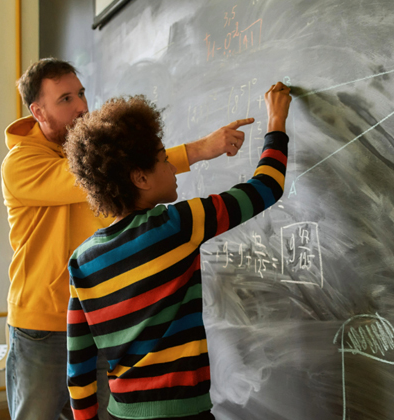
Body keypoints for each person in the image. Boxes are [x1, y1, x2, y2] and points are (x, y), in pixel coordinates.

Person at [1, 58, 252, 420]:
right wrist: (199, 150)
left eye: (82, 94)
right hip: (41, 325)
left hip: (99, 318)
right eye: (66, 99)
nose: (82, 106)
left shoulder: (87, 151)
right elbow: (83, 177)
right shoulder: (20, 164)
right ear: (38, 111)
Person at [64, 81, 291, 420]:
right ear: (140, 178)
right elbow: (266, 187)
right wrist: (276, 122)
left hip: (122, 413)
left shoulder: (82, 260)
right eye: (163, 159)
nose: (172, 167)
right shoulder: (175, 225)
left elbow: (79, 366)